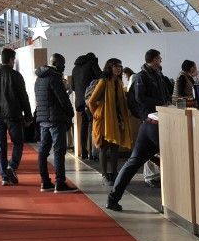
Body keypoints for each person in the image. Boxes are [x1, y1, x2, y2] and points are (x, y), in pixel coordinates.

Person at [108, 49, 167, 211]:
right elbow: (139, 99)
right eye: (159, 59)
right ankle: (173, 204)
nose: (160, 61)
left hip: (151, 123)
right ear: (154, 60)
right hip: (152, 123)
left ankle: (113, 198)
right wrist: (160, 102)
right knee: (170, 162)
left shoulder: (157, 76)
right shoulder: (142, 77)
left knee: (133, 162)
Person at [0, 47, 33, 186]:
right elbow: (24, 97)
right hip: (14, 115)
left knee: (1, 146)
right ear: (11, 60)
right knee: (18, 143)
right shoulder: (16, 76)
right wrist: (28, 116)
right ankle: (12, 166)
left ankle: (4, 177)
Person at [87, 58, 134, 186]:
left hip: (116, 119)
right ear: (109, 67)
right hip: (103, 119)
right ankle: (104, 174)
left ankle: (114, 173)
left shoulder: (118, 82)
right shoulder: (103, 82)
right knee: (103, 148)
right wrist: (96, 115)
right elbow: (91, 101)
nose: (118, 68)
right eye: (115, 66)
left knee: (114, 147)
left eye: (120, 66)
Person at [34, 53, 77, 192]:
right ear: (57, 63)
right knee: (59, 151)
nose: (64, 67)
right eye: (63, 64)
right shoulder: (55, 77)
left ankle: (45, 182)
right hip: (56, 120)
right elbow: (63, 99)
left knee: (43, 151)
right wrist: (71, 114)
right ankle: (60, 182)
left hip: (43, 120)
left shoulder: (39, 78)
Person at [70, 53, 103, 161]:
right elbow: (101, 79)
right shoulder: (92, 63)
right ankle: (92, 153)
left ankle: (84, 151)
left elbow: (73, 87)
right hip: (90, 99)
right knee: (92, 124)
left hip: (79, 101)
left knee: (84, 125)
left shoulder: (75, 68)